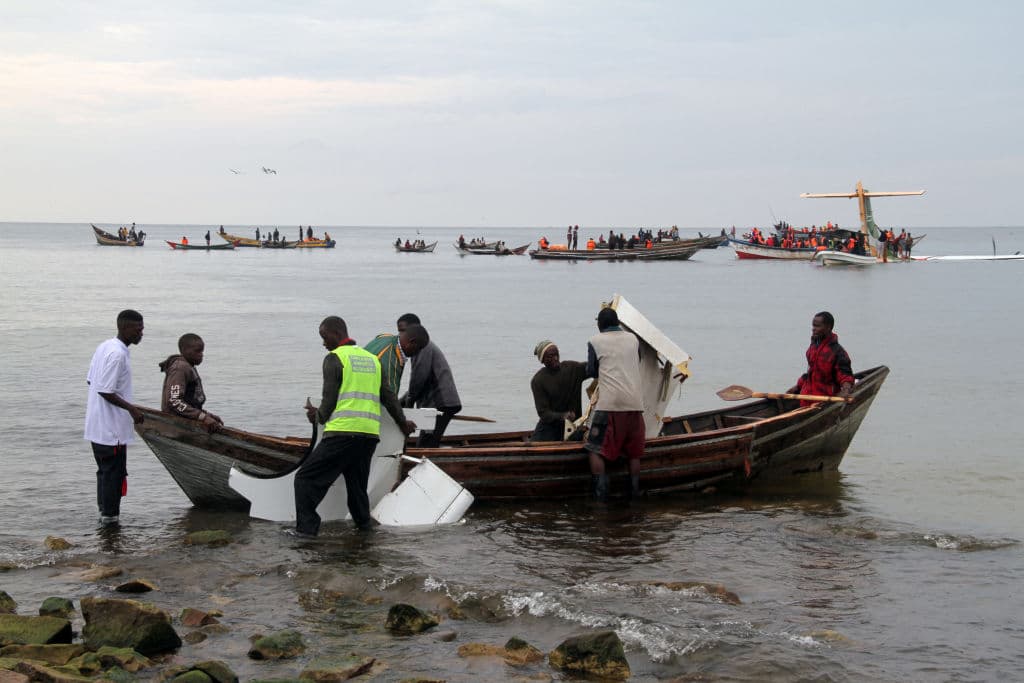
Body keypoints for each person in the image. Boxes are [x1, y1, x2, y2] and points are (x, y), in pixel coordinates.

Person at [291, 316, 415, 538]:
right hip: (368, 436)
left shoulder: (334, 358)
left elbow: (328, 403)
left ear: (336, 333)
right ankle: (364, 528)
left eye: (324, 336)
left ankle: (306, 531)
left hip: (342, 433)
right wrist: (402, 423)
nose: (323, 343)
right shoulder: (372, 360)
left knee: (305, 479)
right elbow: (389, 398)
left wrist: (315, 416)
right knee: (357, 486)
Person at [84, 310, 145, 525]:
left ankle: (104, 515)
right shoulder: (117, 354)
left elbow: (91, 381)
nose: (142, 333)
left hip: (96, 425)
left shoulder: (104, 346)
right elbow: (104, 389)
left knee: (104, 472)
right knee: (114, 474)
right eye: (138, 329)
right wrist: (131, 408)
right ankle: (110, 520)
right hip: (111, 430)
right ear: (125, 328)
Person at [584, 307, 645, 500]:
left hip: (609, 406)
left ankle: (601, 496)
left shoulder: (595, 341)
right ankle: (634, 494)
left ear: (600, 325)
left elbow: (592, 371)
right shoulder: (633, 339)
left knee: (594, 450)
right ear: (617, 322)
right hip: (635, 405)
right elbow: (639, 360)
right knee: (634, 455)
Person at [396, 314, 462, 447]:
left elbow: (419, 378)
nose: (400, 335)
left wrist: (409, 401)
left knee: (426, 445)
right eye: (399, 331)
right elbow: (416, 383)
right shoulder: (418, 347)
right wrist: (401, 400)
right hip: (435, 404)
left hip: (441, 404)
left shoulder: (422, 347)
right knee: (427, 441)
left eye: (403, 330)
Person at [159, 333, 223, 433]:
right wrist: (202, 417)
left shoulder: (189, 367)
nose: (201, 354)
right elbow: (174, 401)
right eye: (197, 351)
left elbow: (191, 401)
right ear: (184, 350)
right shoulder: (180, 368)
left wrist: (207, 414)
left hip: (187, 419)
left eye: (202, 351)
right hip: (177, 424)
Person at [530, 340, 589, 442]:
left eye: (556, 354)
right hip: (549, 429)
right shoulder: (538, 380)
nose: (555, 358)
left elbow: (593, 368)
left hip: (573, 428)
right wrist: (563, 416)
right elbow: (543, 413)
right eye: (550, 356)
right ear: (542, 360)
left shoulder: (573, 368)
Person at [793, 311, 854, 407]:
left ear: (828, 327)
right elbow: (811, 372)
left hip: (823, 401)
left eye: (817, 326)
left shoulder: (837, 352)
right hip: (806, 398)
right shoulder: (813, 346)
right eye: (813, 326)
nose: (813, 329)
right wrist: (798, 386)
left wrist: (846, 390)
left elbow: (845, 376)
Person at [365, 323, 430, 397]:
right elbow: (389, 398)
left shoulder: (384, 337)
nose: (418, 353)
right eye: (419, 348)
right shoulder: (391, 362)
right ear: (411, 342)